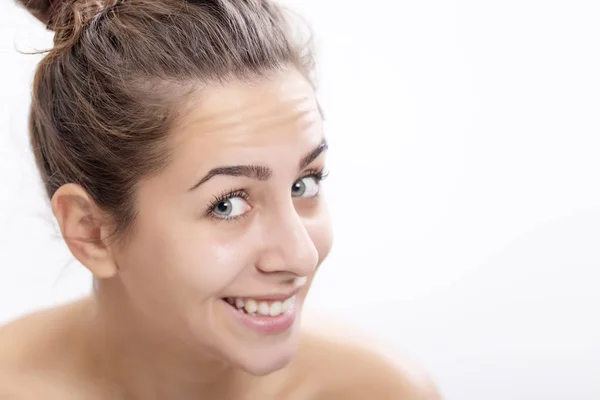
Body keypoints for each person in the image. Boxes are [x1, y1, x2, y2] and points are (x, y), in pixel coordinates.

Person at [0, 0, 441, 398]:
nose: (301, 256)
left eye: (304, 184)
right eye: (228, 204)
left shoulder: (379, 390)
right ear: (91, 232)